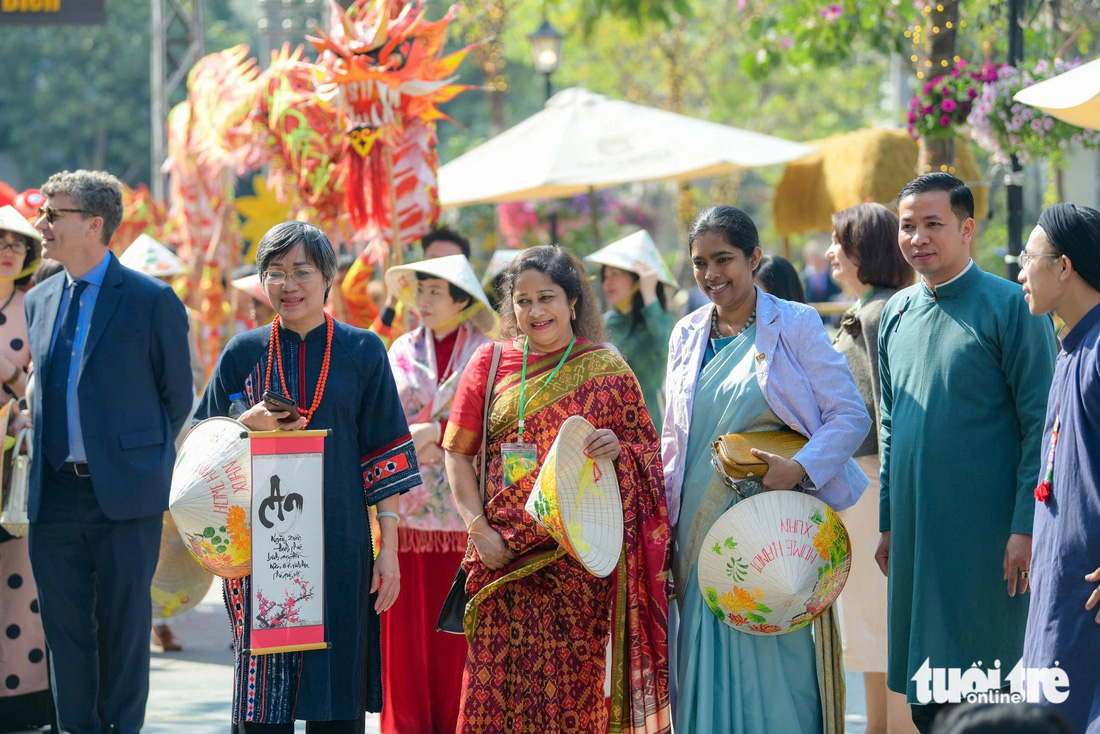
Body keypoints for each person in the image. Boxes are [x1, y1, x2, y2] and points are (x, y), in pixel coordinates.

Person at [195, 220, 418, 732]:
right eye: (275, 273)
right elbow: (200, 447)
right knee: (263, 702)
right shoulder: (242, 353)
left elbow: (383, 457)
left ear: (327, 278)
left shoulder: (363, 351)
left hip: (341, 543)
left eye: (301, 271)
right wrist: (243, 425)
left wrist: (389, 550)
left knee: (336, 696)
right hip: (259, 548)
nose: (288, 284)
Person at [443, 246, 672, 733]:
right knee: (493, 700)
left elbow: (650, 458)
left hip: (579, 567)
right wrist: (478, 529)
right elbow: (457, 453)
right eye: (522, 301)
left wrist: (620, 450)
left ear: (572, 301)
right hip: (503, 559)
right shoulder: (490, 363)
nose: (535, 311)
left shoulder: (607, 370)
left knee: (573, 704)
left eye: (546, 297)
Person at [663, 205, 871, 734]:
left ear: (754, 257)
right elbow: (674, 436)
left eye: (724, 259)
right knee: (703, 652)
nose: (712, 274)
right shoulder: (687, 333)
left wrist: (799, 468)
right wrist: (662, 523)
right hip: (698, 525)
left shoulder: (795, 323)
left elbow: (849, 416)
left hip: (775, 524)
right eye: (700, 263)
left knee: (780, 651)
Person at [875, 173, 1057, 734]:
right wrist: (887, 523)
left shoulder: (1010, 307)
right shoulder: (895, 313)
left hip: (990, 546)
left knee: (987, 695)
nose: (919, 237)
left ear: (967, 229)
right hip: (917, 538)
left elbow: (1043, 427)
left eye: (934, 224)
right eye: (908, 226)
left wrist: (1026, 528)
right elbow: (889, 426)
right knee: (929, 701)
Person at [20, 170, 193, 734]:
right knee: (66, 632)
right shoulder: (40, 298)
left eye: (54, 215)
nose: (41, 225)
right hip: (54, 495)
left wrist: (133, 462)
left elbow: (176, 398)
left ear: (94, 224)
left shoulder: (151, 299)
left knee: (122, 628)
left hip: (125, 496)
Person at [380, 254, 496, 734]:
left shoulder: (488, 354)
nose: (423, 301)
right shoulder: (399, 349)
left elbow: (497, 419)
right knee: (405, 635)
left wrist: (436, 430)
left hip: (464, 509)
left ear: (462, 300)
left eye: (435, 292)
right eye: (420, 291)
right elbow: (380, 421)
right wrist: (418, 433)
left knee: (458, 636)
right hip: (405, 514)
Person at [825, 203, 916, 734]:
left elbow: (890, 414)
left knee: (879, 621)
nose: (833, 252)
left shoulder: (881, 313)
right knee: (865, 624)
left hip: (875, 484)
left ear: (865, 248)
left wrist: (892, 502)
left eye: (842, 241)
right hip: (860, 485)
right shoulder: (867, 309)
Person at [1017, 203, 1100, 734]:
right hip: (1058, 585)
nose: (1020, 272)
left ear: (1064, 266)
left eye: (1027, 258)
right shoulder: (1072, 344)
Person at [118, 233, 207, 653]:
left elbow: (190, 376)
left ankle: (163, 615)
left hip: (178, 430)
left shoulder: (181, 314)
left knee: (174, 528)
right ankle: (148, 619)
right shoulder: (116, 316)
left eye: (164, 276)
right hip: (135, 436)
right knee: (143, 530)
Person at [0, 204, 51, 733]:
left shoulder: (35, 305)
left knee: (20, 587)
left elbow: (42, 384)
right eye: (0, 242)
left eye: (18, 243)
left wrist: (11, 371)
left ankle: (24, 704)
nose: (10, 251)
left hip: (16, 466)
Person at [586, 230, 676, 431]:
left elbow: (665, 345)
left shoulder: (659, 322)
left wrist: (649, 292)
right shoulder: (602, 323)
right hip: (607, 426)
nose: (607, 282)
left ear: (637, 280)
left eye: (615, 274)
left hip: (649, 423)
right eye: (605, 275)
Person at [343, 226, 471, 347]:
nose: (438, 268)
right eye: (433, 259)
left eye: (448, 262)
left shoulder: (477, 336)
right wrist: (377, 240)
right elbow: (371, 352)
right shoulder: (404, 308)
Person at [801, 239, 842, 303]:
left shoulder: (834, 275)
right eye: (813, 256)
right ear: (806, 258)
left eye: (819, 256)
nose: (817, 260)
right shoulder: (801, 277)